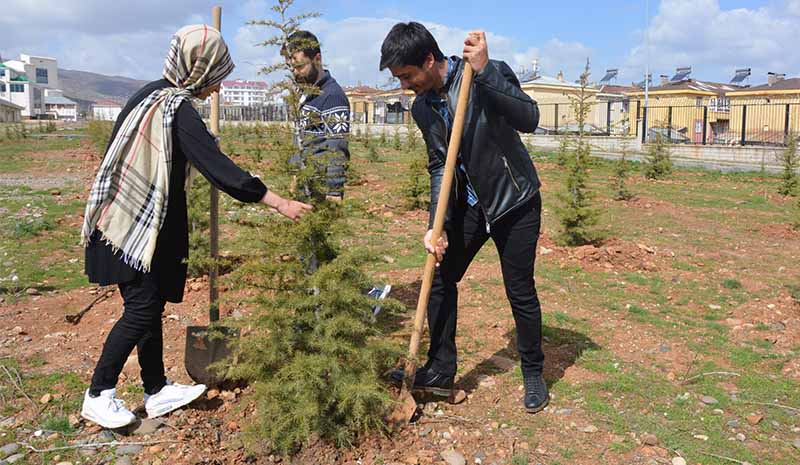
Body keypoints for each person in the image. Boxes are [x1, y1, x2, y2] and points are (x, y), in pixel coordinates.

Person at [79, 24, 311, 429]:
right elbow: (221, 171)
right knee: (142, 310)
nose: (218, 87)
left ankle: (156, 389)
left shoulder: (149, 95)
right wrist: (280, 203)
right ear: (198, 69)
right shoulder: (175, 110)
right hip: (131, 228)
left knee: (148, 307)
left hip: (128, 224)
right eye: (216, 76)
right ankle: (99, 393)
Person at [381, 22, 548, 412]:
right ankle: (440, 370)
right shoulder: (423, 108)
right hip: (471, 205)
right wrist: (435, 226)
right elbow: (439, 165)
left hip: (514, 200)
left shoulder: (484, 74)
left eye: (407, 76)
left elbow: (530, 118)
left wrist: (486, 71)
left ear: (428, 60)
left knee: (519, 290)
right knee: (440, 275)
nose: (405, 85)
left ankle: (533, 372)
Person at [282, 30, 391, 311]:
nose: (296, 72)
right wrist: (295, 177)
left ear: (317, 58)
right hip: (305, 183)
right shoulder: (306, 94)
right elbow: (301, 140)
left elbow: (337, 146)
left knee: (314, 247)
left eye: (300, 66)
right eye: (292, 67)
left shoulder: (332, 96)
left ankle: (358, 297)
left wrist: (334, 191)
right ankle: (357, 296)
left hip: (320, 186)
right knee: (315, 247)